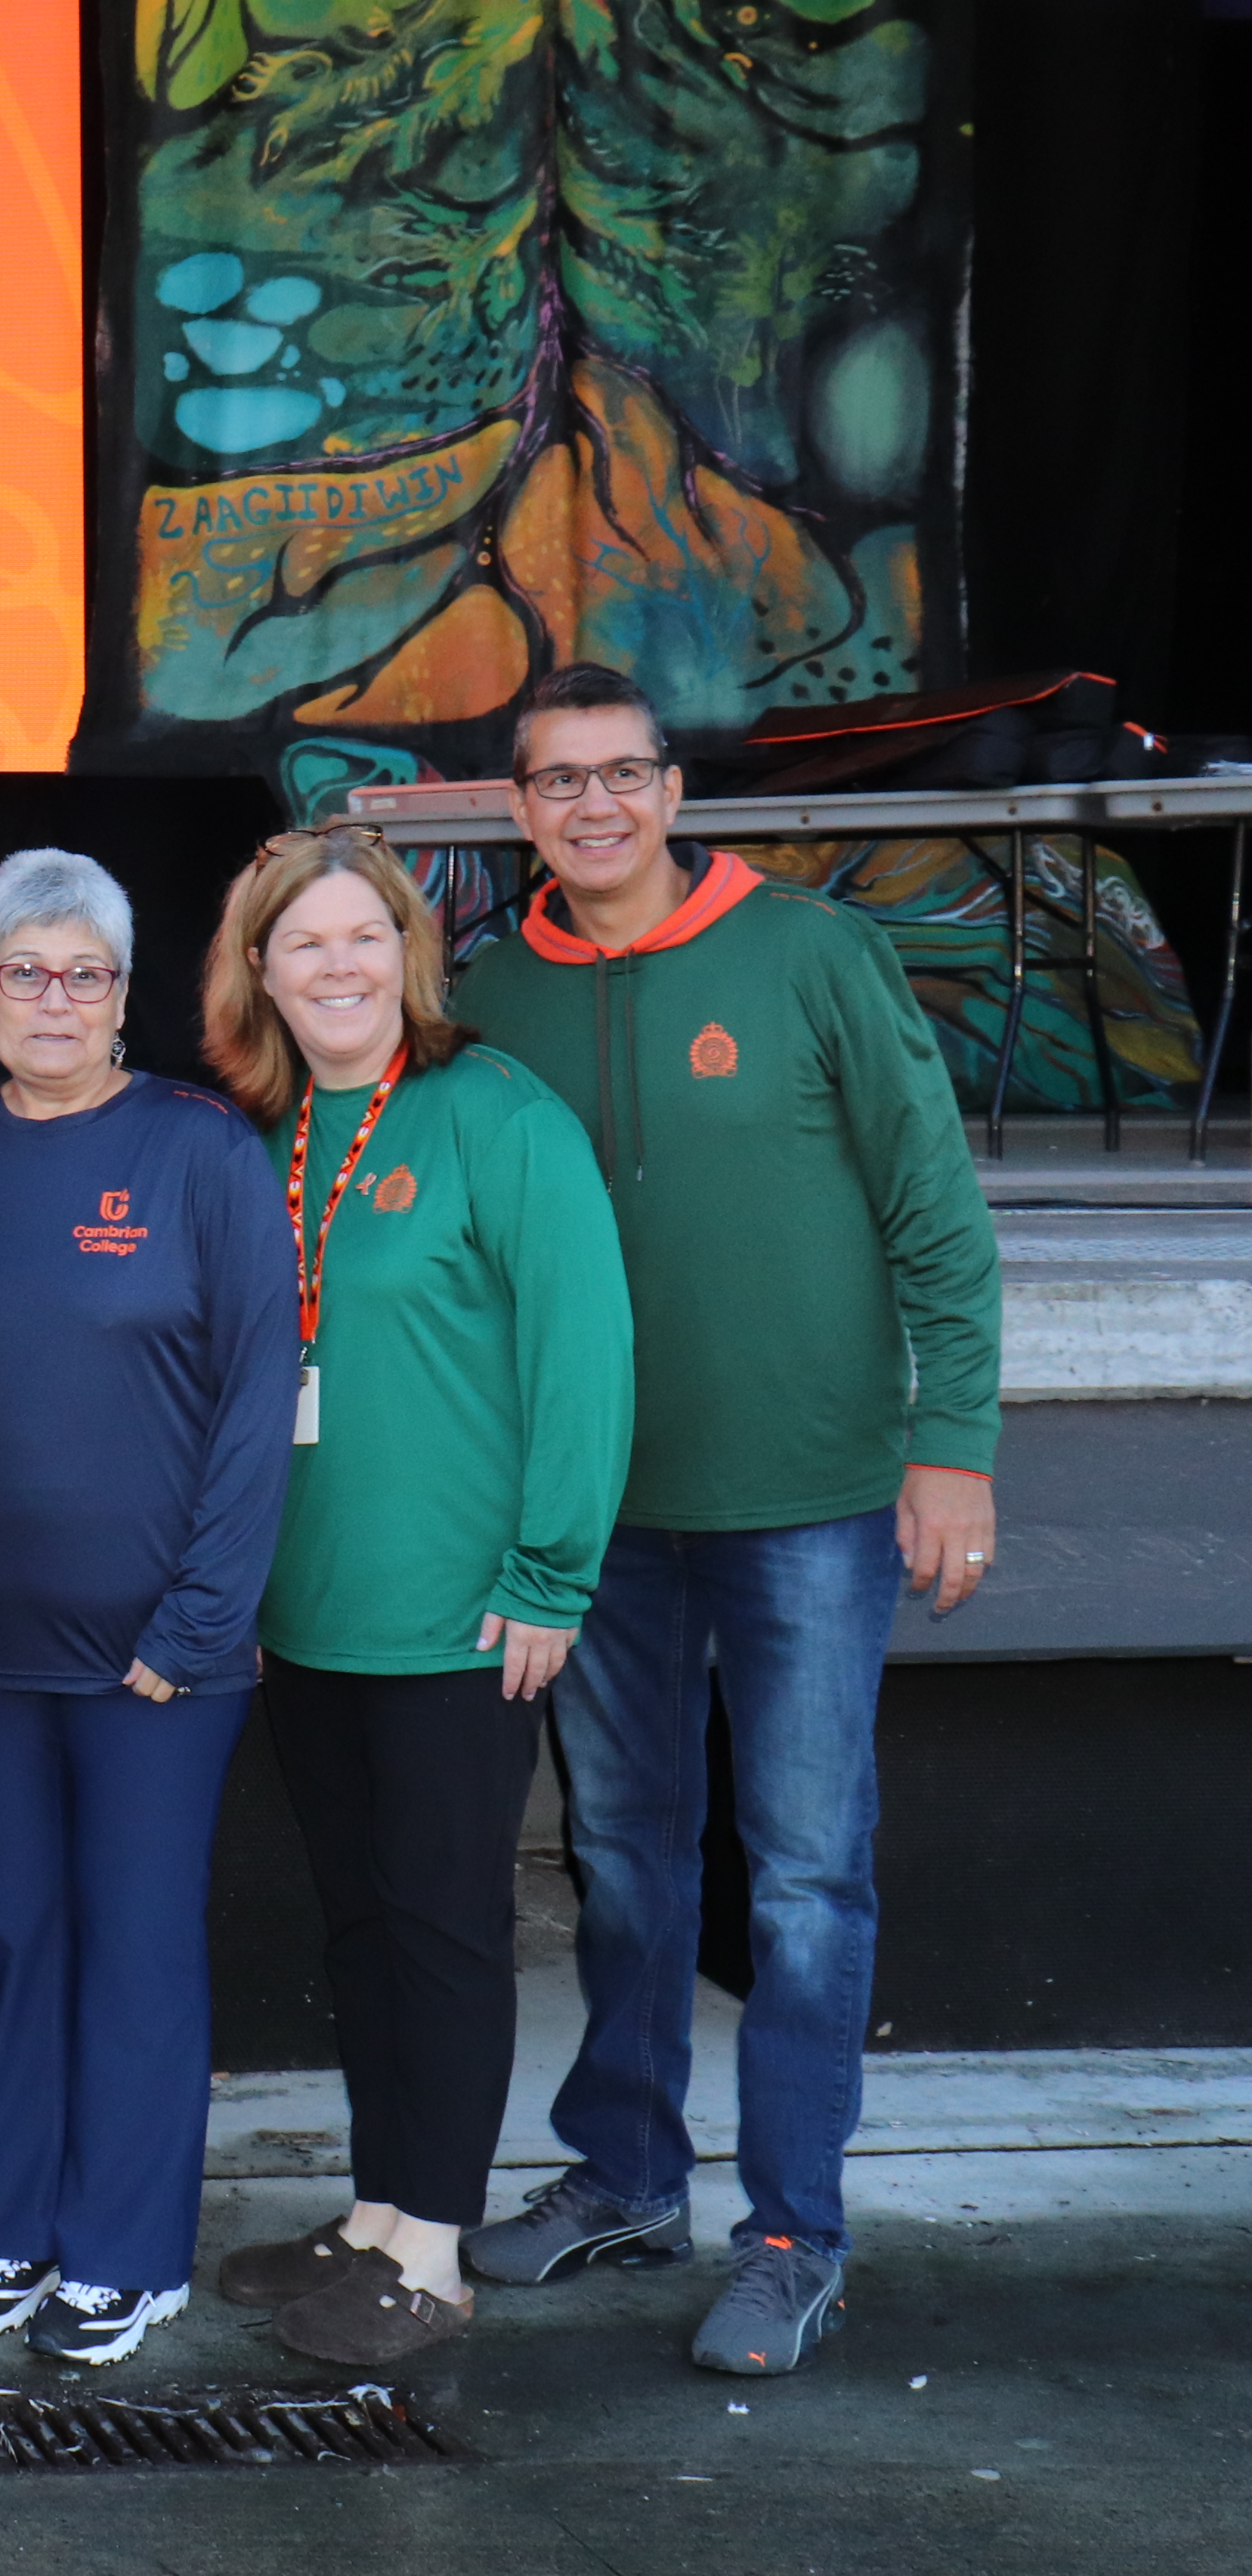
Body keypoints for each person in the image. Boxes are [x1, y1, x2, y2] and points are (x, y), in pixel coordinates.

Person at [452, 664, 1004, 2376]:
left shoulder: (813, 954)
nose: (594, 806)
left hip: (814, 1500)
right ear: (522, 807)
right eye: (559, 781)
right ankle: (625, 2171)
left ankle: (793, 2229)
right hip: (597, 1516)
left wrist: (955, 1441)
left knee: (808, 1880)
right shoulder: (486, 992)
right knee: (621, 1859)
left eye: (624, 773)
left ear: (676, 789)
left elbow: (937, 1209)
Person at [197, 828, 633, 2369]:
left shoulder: (495, 1116)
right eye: (302, 941)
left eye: (363, 936)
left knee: (444, 1924)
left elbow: (586, 1355)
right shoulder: (257, 1136)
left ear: (410, 953)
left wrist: (549, 1572)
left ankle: (436, 2248)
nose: (336, 965)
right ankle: (381, 2207)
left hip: (461, 1615)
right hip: (301, 1614)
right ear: (259, 967)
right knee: (363, 1921)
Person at [0, 848, 292, 2370]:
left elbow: (259, 1405)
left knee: (133, 1942)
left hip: (160, 1655)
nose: (53, 997)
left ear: (124, 996)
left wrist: (200, 1619)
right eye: (24, 969)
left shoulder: (201, 1153)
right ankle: (13, 2224)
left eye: (85, 972)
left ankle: (127, 2249)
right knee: (8, 1938)